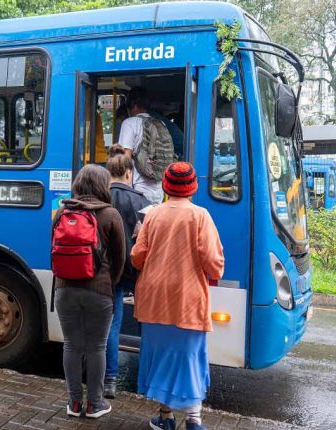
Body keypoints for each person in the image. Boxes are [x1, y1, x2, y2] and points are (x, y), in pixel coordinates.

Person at [130, 162, 224, 430]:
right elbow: (214, 263)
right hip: (188, 299)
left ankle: (165, 417)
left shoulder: (154, 215)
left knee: (161, 356)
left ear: (165, 186)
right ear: (192, 187)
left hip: (154, 298)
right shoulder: (200, 216)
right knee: (189, 356)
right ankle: (193, 420)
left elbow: (137, 257)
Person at [53, 164, 126, 419]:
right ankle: (95, 404)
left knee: (72, 345)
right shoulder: (110, 214)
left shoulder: (61, 212)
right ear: (102, 186)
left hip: (64, 290)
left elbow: (53, 252)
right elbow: (120, 258)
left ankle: (74, 403)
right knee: (97, 347)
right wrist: (108, 283)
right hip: (99, 291)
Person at [103, 145, 146, 399]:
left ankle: (106, 378)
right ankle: (113, 378)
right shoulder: (140, 201)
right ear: (129, 174)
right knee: (117, 326)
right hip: (128, 273)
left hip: (100, 272)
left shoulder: (99, 197)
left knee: (106, 326)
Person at [118, 87, 175, 205]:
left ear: (132, 105)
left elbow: (125, 158)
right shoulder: (160, 123)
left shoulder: (129, 123)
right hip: (158, 189)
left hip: (138, 190)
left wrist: (121, 187)